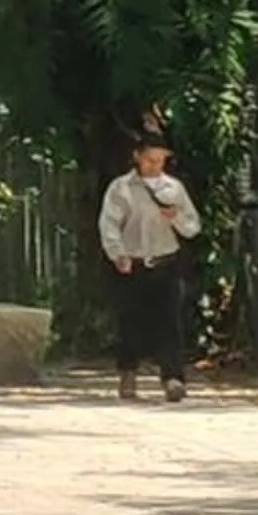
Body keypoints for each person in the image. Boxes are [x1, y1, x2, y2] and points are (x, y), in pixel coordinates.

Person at [99, 128, 202, 402]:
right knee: (129, 320)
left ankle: (172, 378)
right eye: (150, 160)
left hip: (165, 261)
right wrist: (117, 253)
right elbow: (109, 224)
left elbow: (192, 227)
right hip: (131, 263)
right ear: (137, 157)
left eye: (160, 160)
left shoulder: (173, 188)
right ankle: (128, 373)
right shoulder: (121, 188)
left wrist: (176, 218)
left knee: (169, 321)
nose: (155, 166)